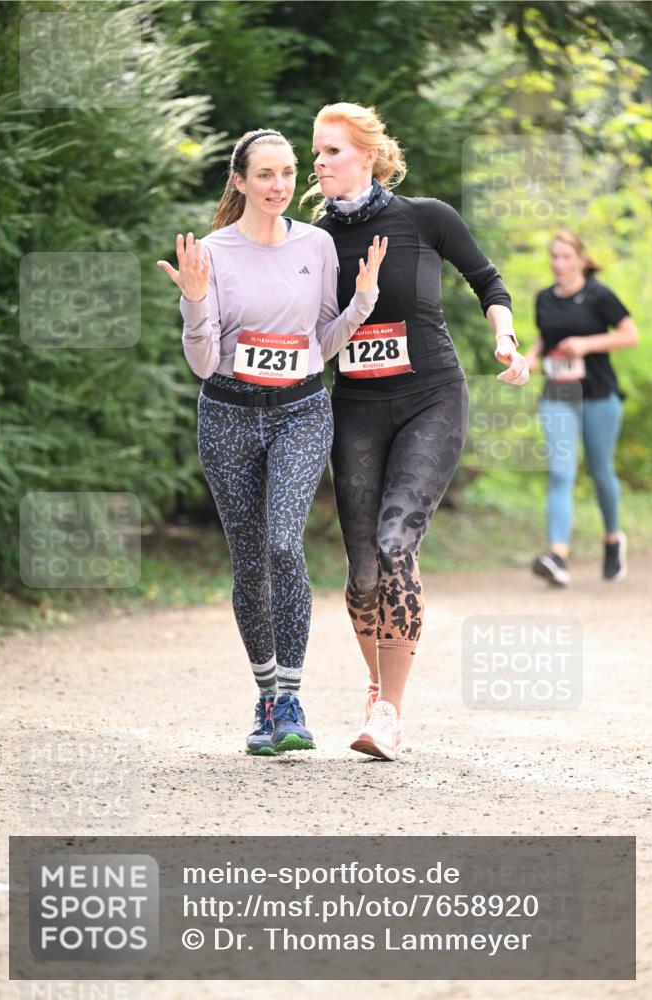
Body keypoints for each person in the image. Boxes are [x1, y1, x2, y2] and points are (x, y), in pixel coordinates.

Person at [305, 102, 529, 761]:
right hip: (356, 407)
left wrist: (506, 341)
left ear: (367, 158)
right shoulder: (314, 240)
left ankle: (389, 713)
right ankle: (375, 682)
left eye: (331, 151)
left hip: (431, 396)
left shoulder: (425, 218)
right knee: (363, 569)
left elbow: (486, 281)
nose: (318, 162)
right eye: (314, 152)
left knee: (396, 538)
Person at [157, 128, 386, 755]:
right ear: (240, 181)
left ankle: (291, 696)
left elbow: (322, 341)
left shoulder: (315, 244)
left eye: (287, 173)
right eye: (264, 175)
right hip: (228, 413)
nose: (279, 185)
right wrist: (195, 302)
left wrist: (362, 303)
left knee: (284, 544)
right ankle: (263, 697)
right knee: (250, 561)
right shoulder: (212, 252)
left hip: (300, 412)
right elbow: (204, 363)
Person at [525, 228, 639, 586]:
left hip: (599, 394)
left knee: (601, 472)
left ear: (581, 259)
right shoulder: (544, 298)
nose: (559, 264)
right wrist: (529, 357)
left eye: (566, 257)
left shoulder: (599, 295)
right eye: (554, 257)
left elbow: (629, 335)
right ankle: (558, 555)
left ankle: (612, 538)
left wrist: (586, 344)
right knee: (561, 472)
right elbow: (547, 336)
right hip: (558, 393)